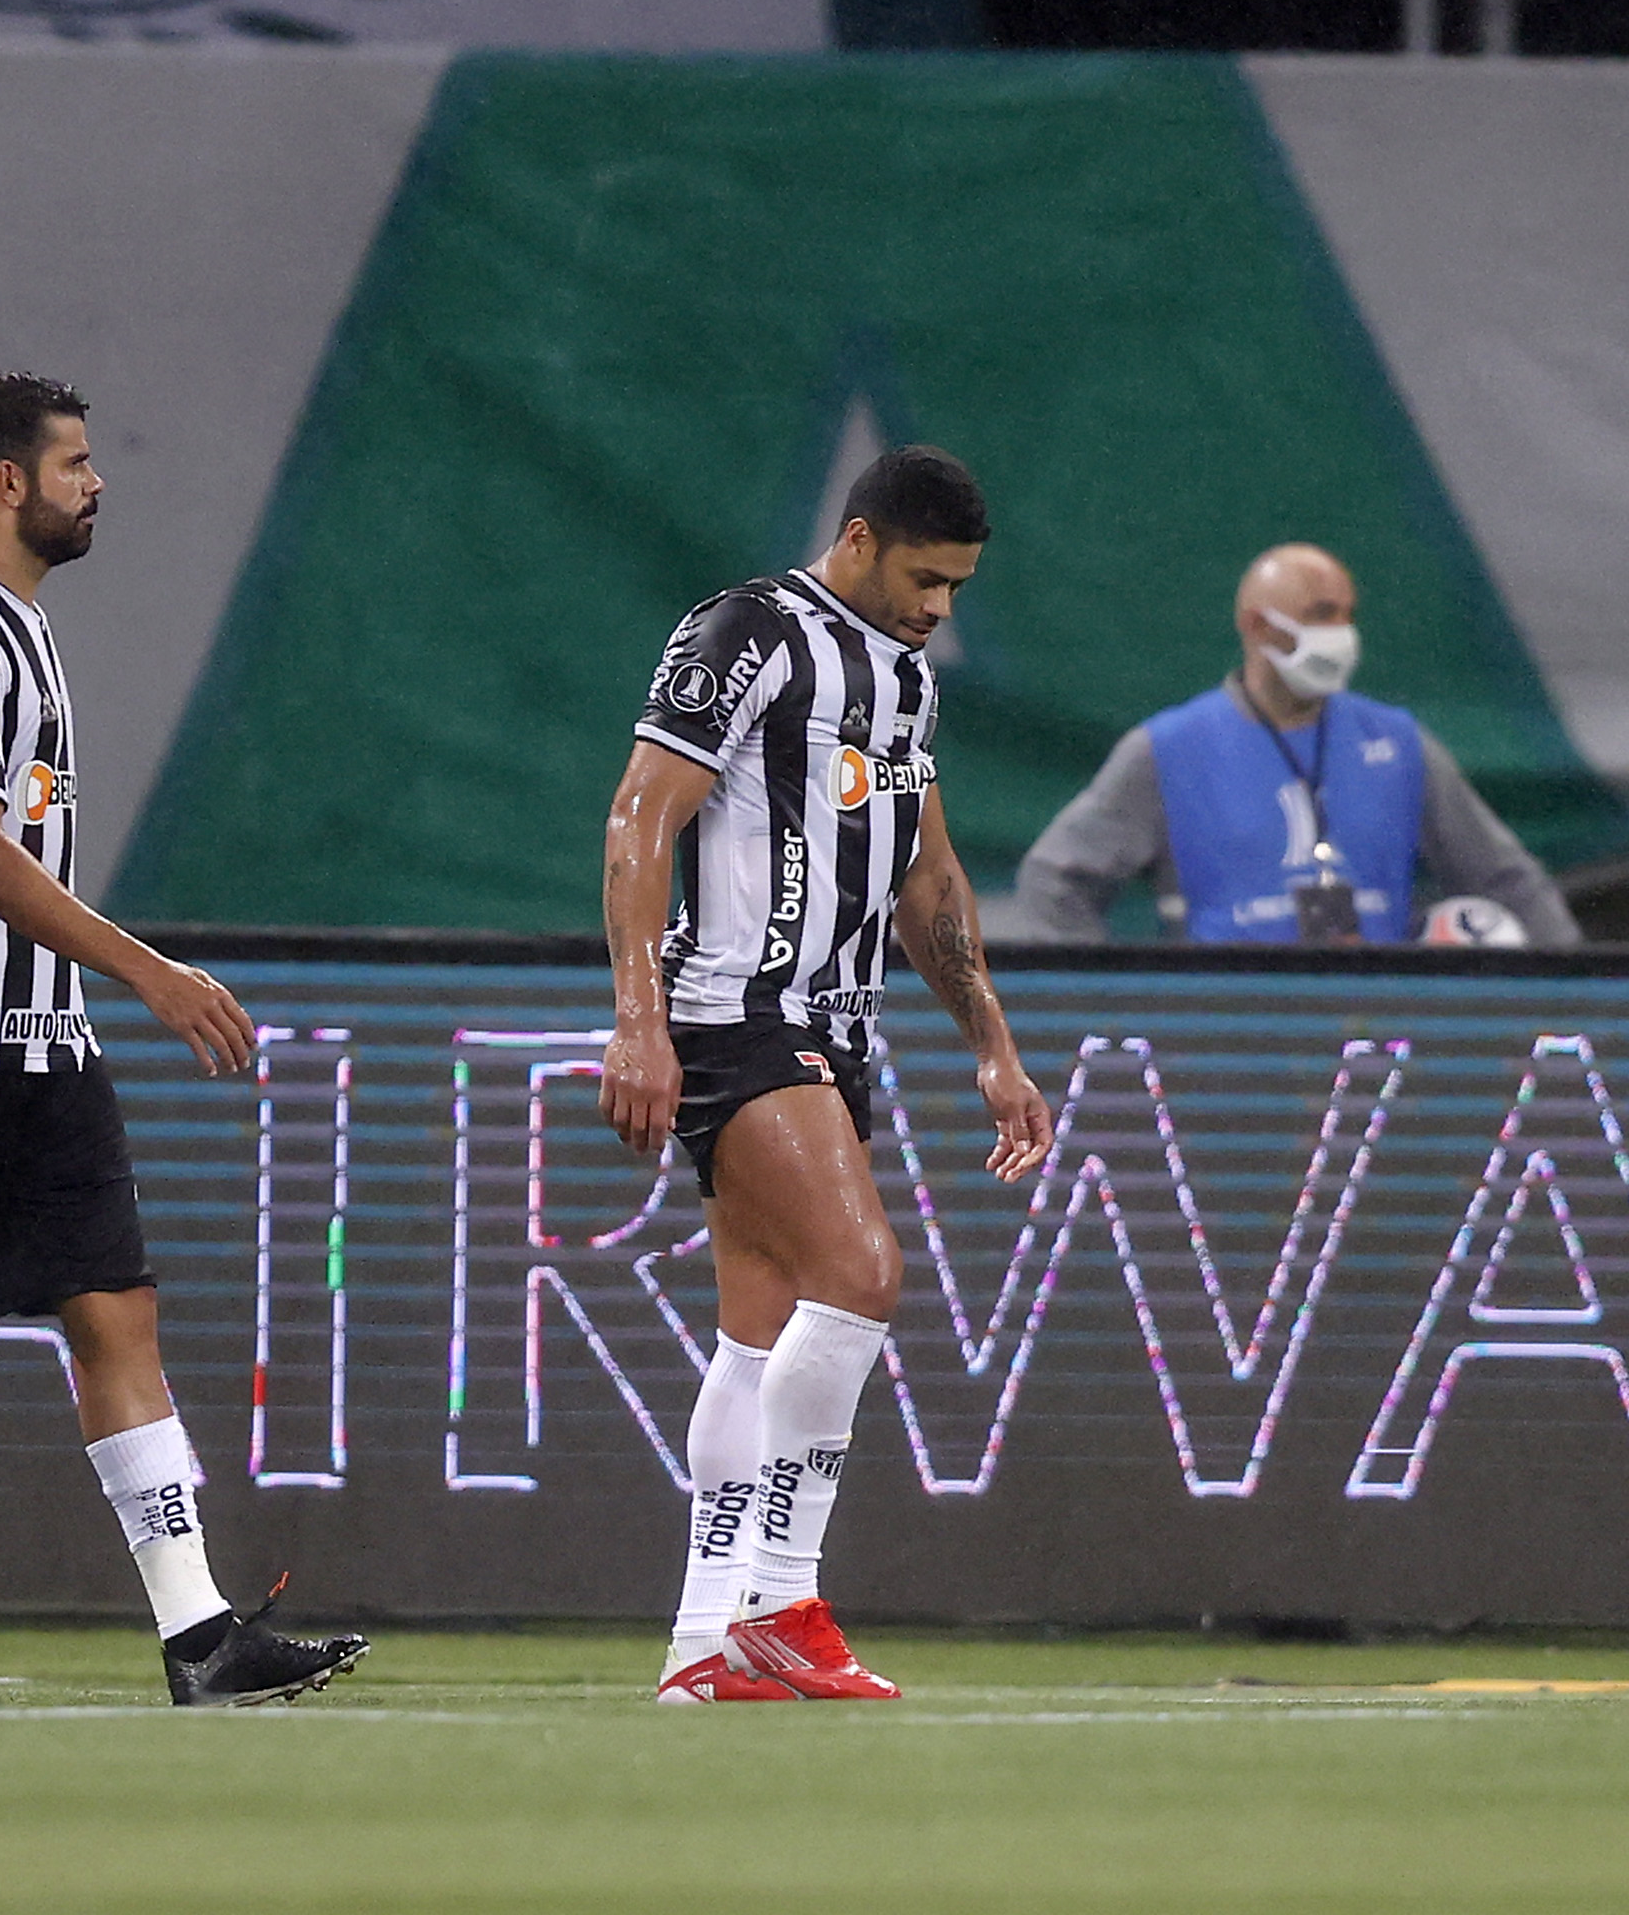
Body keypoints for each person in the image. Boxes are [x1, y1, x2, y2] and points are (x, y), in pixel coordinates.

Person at [0, 371, 370, 1708]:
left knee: (116, 1317)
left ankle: (200, 1635)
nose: (97, 478)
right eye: (74, 461)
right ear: (7, 482)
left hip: (40, 1055)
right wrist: (151, 972)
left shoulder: (5, 627)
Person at [600, 445, 1052, 1704]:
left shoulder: (905, 682)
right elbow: (644, 814)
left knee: (755, 1330)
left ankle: (702, 1642)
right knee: (862, 1273)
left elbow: (932, 883)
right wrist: (636, 1018)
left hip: (835, 1030)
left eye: (959, 588)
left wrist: (993, 1048)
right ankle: (781, 1600)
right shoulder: (748, 630)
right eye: (924, 577)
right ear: (857, 541)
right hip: (735, 1009)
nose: (938, 608)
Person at [1013, 543, 1578, 946]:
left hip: (1382, 1038)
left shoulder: (1397, 745)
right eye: (1321, 615)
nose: (1342, 635)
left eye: (1349, 615)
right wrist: (1104, 1008)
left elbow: (1508, 880)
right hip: (1224, 1038)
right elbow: (1054, 879)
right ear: (1258, 626)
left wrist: (1575, 1006)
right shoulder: (1169, 751)